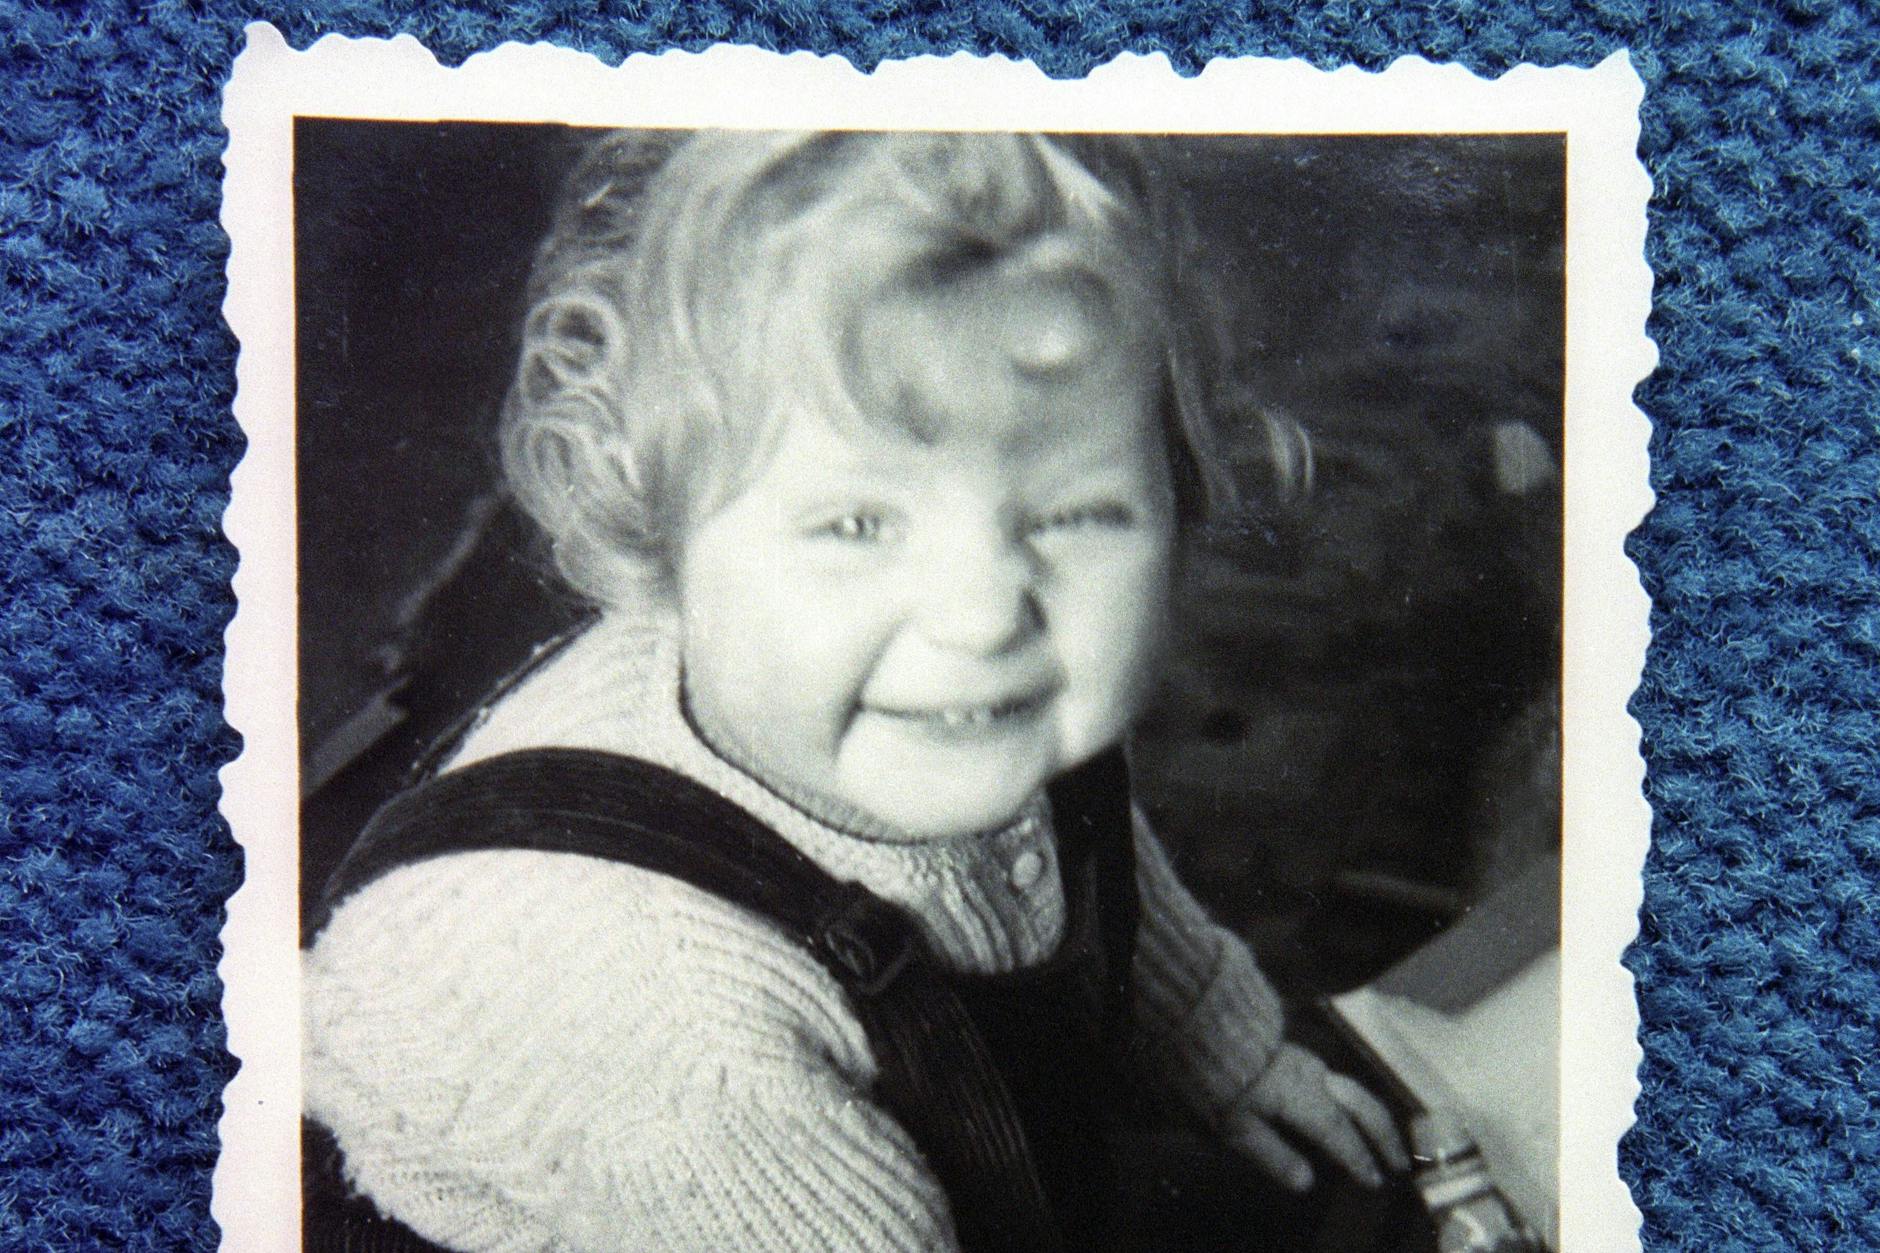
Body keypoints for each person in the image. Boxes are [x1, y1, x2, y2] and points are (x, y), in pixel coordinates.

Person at [302, 129, 1407, 1253]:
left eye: (1073, 513)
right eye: (856, 523)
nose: (983, 614)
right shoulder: (673, 1020)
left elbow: (1090, 845)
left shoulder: (942, 710)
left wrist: (1226, 1049)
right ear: (657, 544)